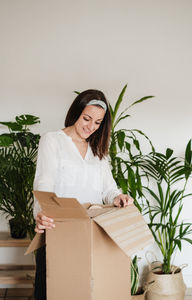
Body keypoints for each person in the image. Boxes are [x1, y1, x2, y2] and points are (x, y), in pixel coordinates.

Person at [33, 89, 133, 300]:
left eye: (97, 123)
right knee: (52, 289)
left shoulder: (98, 148)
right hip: (58, 229)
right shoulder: (52, 141)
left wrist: (117, 197)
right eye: (86, 118)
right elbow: (44, 184)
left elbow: (108, 188)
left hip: (92, 232)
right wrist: (41, 213)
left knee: (87, 291)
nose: (90, 127)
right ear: (76, 112)